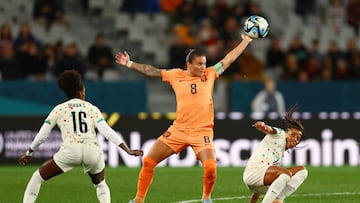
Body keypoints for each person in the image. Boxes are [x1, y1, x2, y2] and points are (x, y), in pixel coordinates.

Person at [115, 34, 253, 203]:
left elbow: (228, 59)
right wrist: (129, 63)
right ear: (189, 64)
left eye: (205, 63)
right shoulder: (175, 75)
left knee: (210, 168)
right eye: (200, 64)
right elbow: (151, 71)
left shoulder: (210, 74)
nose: (204, 67)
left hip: (202, 132)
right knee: (149, 162)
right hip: (178, 130)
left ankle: (206, 199)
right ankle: (138, 200)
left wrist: (245, 41)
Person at [18, 69, 144, 203]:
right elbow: (107, 131)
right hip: (92, 150)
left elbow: (42, 135)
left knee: (37, 178)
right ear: (79, 92)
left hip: (70, 151)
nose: (84, 93)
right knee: (100, 184)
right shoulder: (91, 108)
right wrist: (127, 150)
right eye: (84, 91)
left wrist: (29, 152)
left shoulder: (59, 109)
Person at [243, 105, 308, 203]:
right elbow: (270, 130)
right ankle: (276, 200)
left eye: (298, 139)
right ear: (287, 132)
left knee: (302, 171)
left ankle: (278, 198)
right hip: (253, 173)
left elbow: (263, 179)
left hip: (259, 183)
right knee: (285, 174)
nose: (295, 139)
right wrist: (263, 126)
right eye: (293, 135)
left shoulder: (279, 156)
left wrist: (252, 201)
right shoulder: (280, 134)